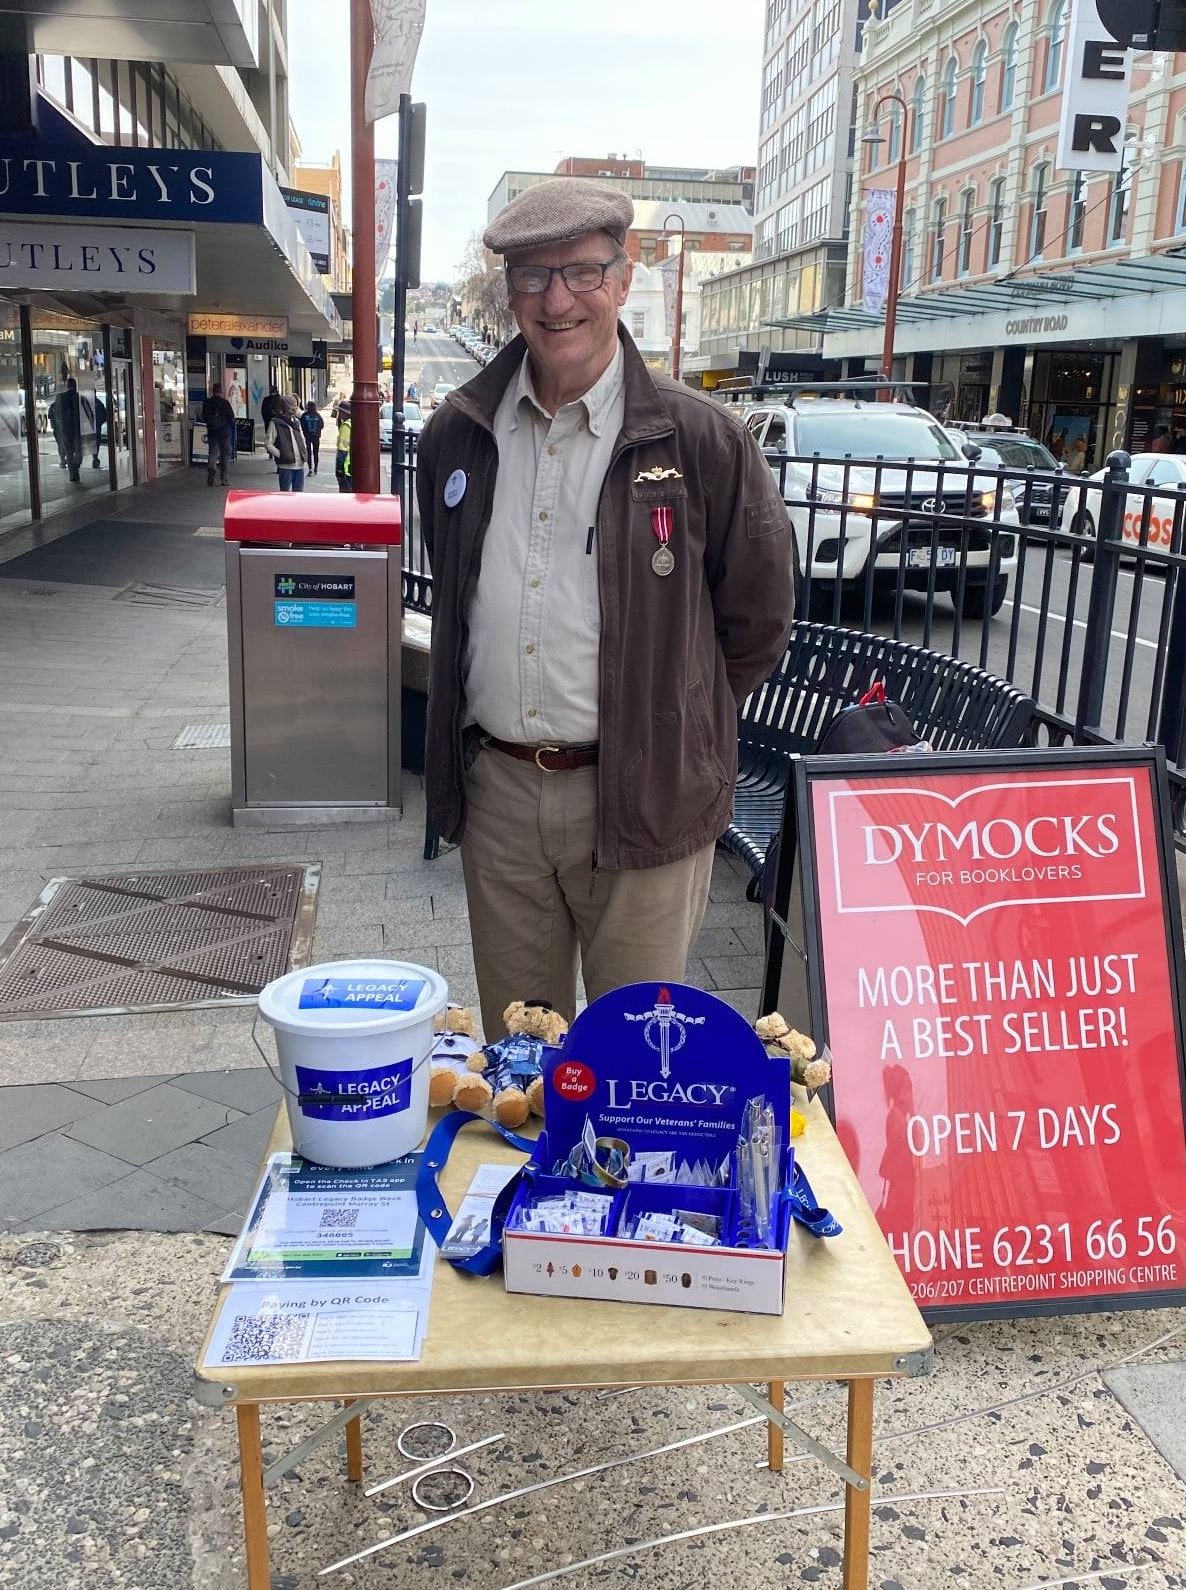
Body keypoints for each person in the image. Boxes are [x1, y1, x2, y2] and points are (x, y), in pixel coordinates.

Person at [417, 179, 794, 1040]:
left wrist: (670, 720)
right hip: (502, 796)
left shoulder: (703, 440)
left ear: (624, 281)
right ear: (506, 291)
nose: (557, 300)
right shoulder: (456, 434)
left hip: (648, 801)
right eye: (531, 276)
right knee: (522, 1060)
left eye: (582, 272)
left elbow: (758, 619)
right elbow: (461, 600)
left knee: (636, 1068)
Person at [264, 394, 309, 490]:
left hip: (299, 465)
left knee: (298, 496)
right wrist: (281, 454)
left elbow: (302, 438)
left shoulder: (297, 422)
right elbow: (268, 443)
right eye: (292, 405)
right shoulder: (275, 423)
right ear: (285, 407)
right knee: (285, 495)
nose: (295, 408)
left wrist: (303, 450)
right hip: (285, 466)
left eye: (296, 405)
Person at [201, 382, 236, 487]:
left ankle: (212, 467)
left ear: (213, 391)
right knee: (225, 454)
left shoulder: (207, 402)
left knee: (213, 452)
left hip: (212, 432)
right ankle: (224, 479)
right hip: (225, 432)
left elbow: (204, 416)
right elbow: (232, 417)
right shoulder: (225, 403)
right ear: (221, 391)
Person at [48, 377, 83, 482]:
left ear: (67, 386)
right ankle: (74, 469)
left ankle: (72, 470)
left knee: (69, 450)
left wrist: (56, 424)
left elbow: (51, 413)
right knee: (78, 451)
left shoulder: (60, 397)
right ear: (75, 386)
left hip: (64, 429)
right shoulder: (78, 397)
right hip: (77, 429)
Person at [300, 400, 325, 475]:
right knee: (316, 453)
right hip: (316, 436)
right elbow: (322, 425)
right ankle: (316, 468)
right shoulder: (318, 415)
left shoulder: (304, 415)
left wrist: (305, 432)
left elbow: (302, 425)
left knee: (309, 452)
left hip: (308, 436)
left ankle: (310, 468)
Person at [334, 400, 353, 491]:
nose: (339, 413)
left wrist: (339, 469)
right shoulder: (353, 423)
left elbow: (343, 449)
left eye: (340, 411)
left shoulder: (346, 426)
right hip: (352, 468)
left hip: (346, 468)